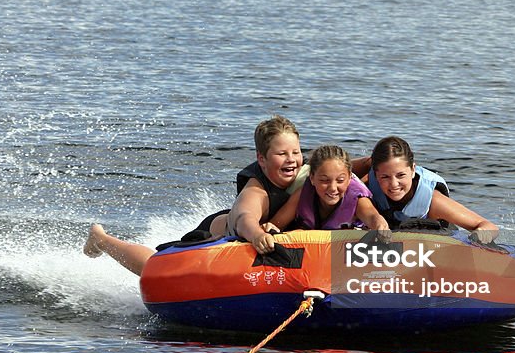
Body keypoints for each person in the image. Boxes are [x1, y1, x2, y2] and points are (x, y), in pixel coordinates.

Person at [83, 115, 307, 275]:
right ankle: (102, 239)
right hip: (211, 239)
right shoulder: (257, 190)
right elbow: (244, 218)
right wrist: (257, 235)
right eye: (281, 153)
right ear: (262, 159)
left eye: (295, 152)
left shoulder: (308, 177)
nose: (291, 159)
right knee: (155, 268)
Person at [366, 136, 499, 243]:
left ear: (413, 170)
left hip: (433, 237)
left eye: (401, 175)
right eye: (385, 177)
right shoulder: (365, 182)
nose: (394, 184)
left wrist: (478, 237)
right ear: (376, 174)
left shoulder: (433, 201)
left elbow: (489, 226)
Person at [264, 145, 389, 233]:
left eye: (340, 180)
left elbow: (372, 216)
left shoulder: (357, 198)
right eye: (324, 180)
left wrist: (379, 224)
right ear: (312, 178)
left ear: (350, 178)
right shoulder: (302, 194)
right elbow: (276, 225)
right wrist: (268, 229)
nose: (333, 188)